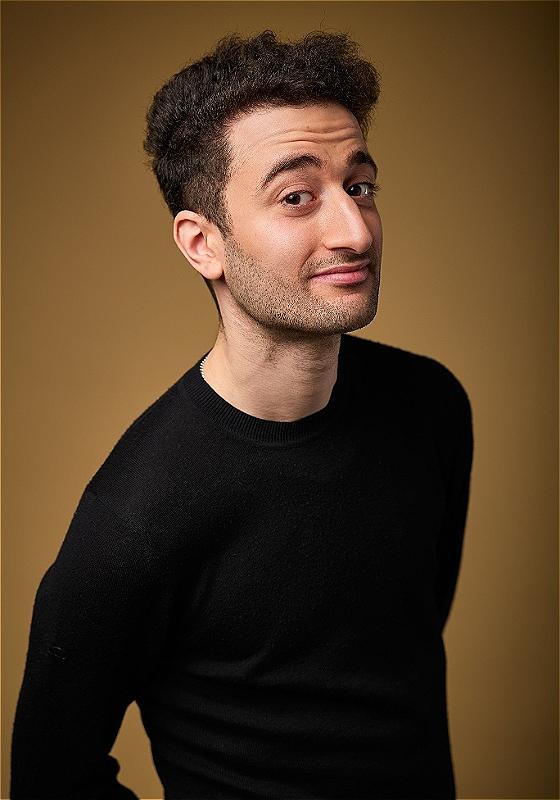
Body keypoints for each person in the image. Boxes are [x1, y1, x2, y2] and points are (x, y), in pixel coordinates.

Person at [10, 29, 473, 800]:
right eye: (297, 197)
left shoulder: (430, 409)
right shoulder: (133, 522)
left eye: (359, 186)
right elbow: (51, 781)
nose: (355, 231)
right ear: (203, 244)